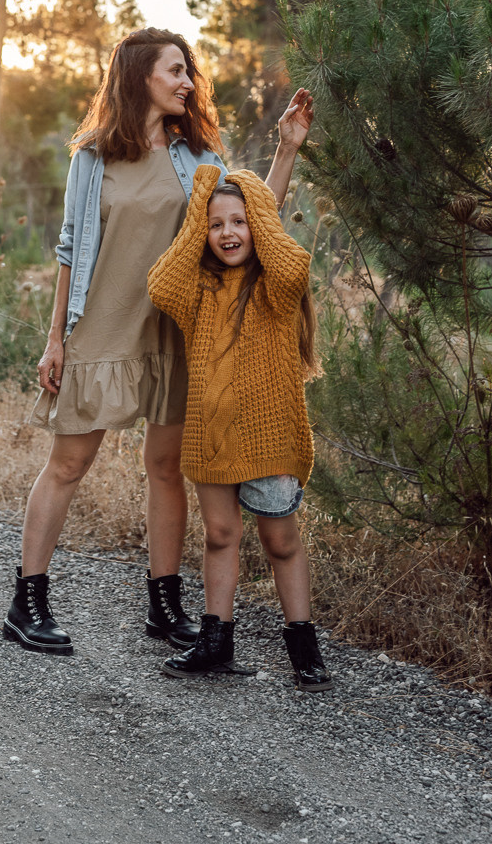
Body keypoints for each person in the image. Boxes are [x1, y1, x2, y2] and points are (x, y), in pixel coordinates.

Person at [2, 27, 313, 657]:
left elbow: (250, 220)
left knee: (166, 467)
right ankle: (27, 601)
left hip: (180, 334)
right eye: (175, 70)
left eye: (188, 72)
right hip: (104, 327)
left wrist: (285, 151)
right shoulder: (91, 158)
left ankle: (164, 603)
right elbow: (68, 250)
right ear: (142, 74)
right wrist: (55, 337)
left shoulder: (196, 158)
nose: (186, 82)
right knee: (68, 464)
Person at [147, 164, 332, 690]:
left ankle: (302, 642)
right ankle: (216, 640)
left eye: (239, 222)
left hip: (269, 437)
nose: (228, 233)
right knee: (220, 534)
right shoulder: (197, 290)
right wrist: (203, 194)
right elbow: (160, 285)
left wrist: (251, 192)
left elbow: (294, 263)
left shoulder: (275, 288)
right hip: (211, 434)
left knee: (280, 541)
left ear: (258, 225)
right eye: (216, 225)